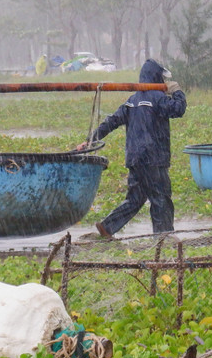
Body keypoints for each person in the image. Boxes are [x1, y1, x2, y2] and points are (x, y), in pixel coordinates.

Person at [76, 59, 186, 236]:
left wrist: (90, 140)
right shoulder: (158, 98)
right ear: (158, 78)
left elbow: (110, 122)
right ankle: (163, 237)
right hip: (154, 158)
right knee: (161, 199)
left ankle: (107, 227)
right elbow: (178, 109)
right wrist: (177, 91)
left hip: (135, 158)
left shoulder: (131, 101)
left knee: (135, 199)